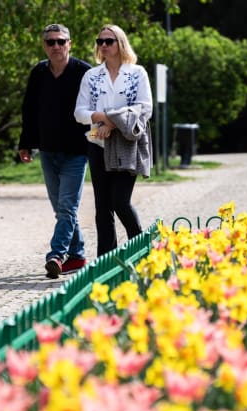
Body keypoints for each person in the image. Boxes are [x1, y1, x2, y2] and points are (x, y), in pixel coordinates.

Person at [18, 24, 92, 279]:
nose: (56, 47)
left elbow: (97, 110)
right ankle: (79, 255)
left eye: (61, 41)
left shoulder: (85, 72)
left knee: (67, 207)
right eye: (50, 42)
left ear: (70, 43)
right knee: (61, 208)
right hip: (48, 150)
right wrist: (25, 143)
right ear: (44, 46)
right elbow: (29, 110)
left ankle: (56, 256)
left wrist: (95, 141)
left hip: (77, 152)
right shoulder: (38, 72)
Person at [75, 24, 153, 257]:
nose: (104, 46)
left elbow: (145, 108)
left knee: (120, 201)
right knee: (102, 207)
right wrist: (101, 118)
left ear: (120, 43)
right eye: (100, 42)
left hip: (126, 145)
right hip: (97, 143)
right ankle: (106, 260)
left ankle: (141, 250)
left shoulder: (136, 73)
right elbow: (79, 112)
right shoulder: (91, 76)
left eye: (109, 41)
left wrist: (112, 123)